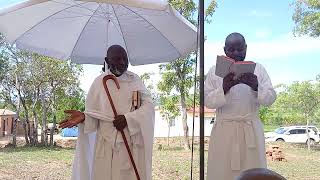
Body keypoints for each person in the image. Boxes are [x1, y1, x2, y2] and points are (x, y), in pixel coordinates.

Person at [59, 45, 155, 180]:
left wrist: (128, 119)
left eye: (124, 58)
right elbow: (95, 117)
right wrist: (84, 117)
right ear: (107, 60)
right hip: (106, 146)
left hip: (131, 145)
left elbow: (149, 107)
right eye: (117, 58)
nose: (122, 62)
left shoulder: (135, 80)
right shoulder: (99, 83)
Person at [204, 33, 277, 180]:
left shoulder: (259, 70)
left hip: (251, 131)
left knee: (253, 172)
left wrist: (256, 86)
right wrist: (223, 88)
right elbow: (207, 102)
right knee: (221, 172)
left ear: (246, 48)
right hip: (224, 132)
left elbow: (270, 98)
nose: (236, 53)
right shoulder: (214, 71)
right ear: (225, 50)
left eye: (240, 49)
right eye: (231, 49)